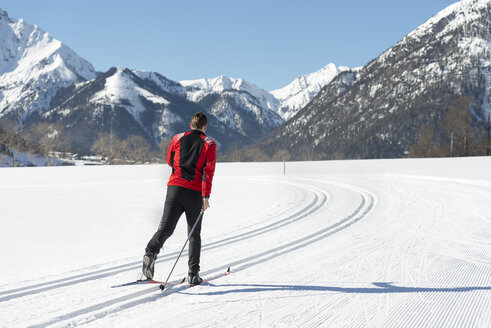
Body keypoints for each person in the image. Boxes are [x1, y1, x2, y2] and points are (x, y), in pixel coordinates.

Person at [143, 112, 217, 285]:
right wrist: (206, 196)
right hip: (194, 193)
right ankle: (193, 274)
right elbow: (208, 172)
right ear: (205, 127)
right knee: (193, 234)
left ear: (190, 125)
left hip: (174, 189)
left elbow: (170, 161)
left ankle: (150, 252)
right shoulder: (209, 144)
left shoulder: (177, 138)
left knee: (166, 228)